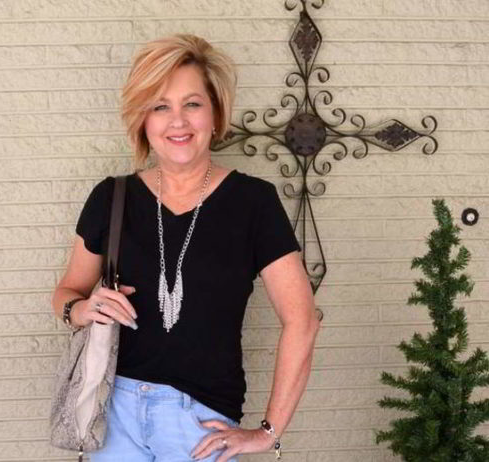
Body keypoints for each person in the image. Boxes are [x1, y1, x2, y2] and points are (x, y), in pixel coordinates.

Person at [52, 34, 320, 461]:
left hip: (199, 422)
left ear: (215, 114)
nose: (177, 121)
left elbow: (302, 320)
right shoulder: (112, 198)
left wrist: (268, 431)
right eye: (160, 106)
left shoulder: (253, 202)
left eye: (192, 104)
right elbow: (67, 293)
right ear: (143, 120)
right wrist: (82, 309)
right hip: (111, 413)